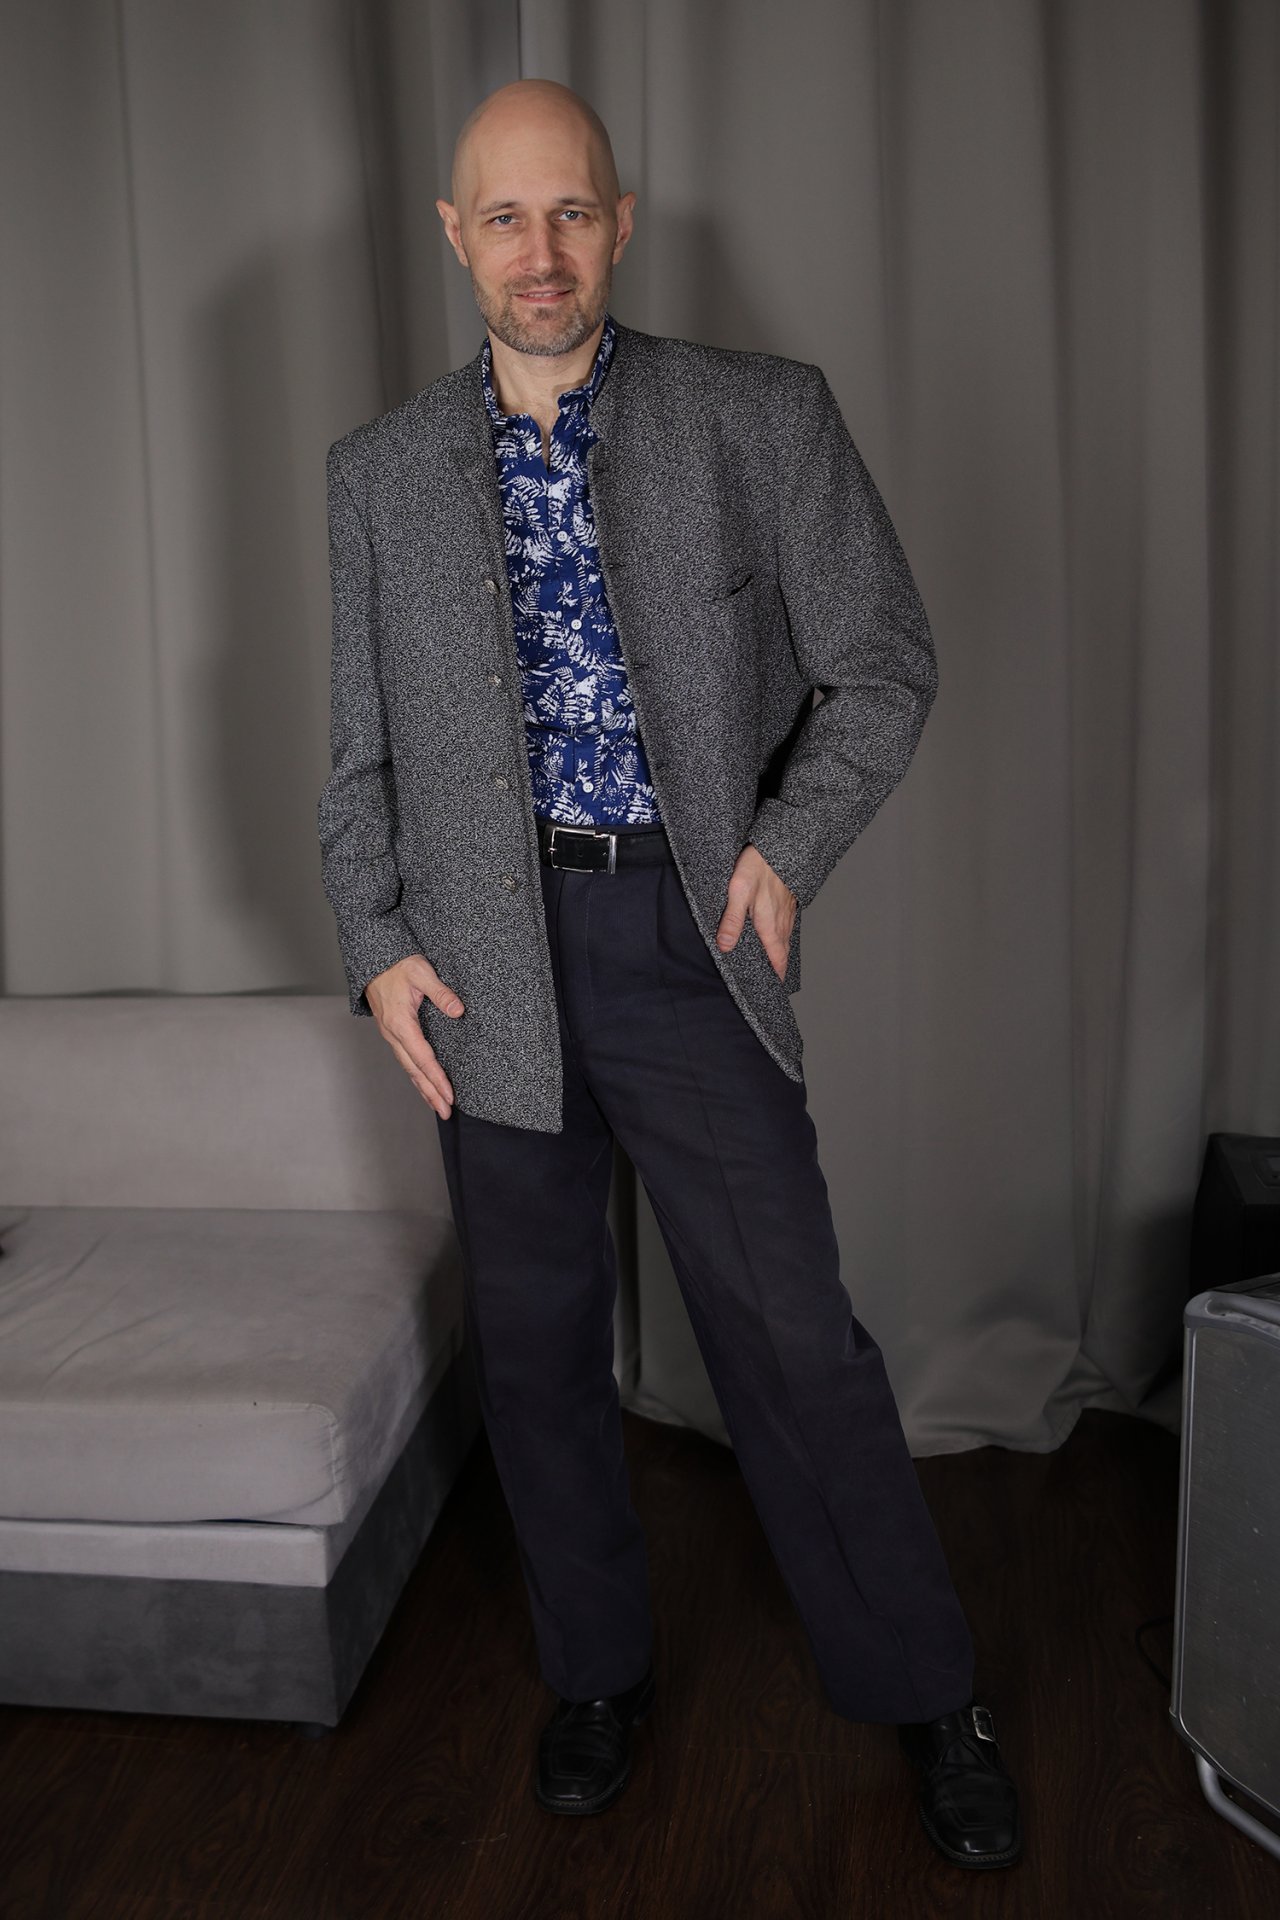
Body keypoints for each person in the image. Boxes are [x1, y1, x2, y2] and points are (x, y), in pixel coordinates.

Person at [318, 77, 1022, 1871]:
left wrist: (783, 854)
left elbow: (886, 662)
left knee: (792, 1338)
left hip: (687, 943)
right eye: (504, 217)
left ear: (620, 224)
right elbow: (356, 765)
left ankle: (931, 1691)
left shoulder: (760, 417)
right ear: (456, 238)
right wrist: (379, 949)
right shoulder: (377, 478)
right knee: (538, 1350)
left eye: (572, 212)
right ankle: (598, 1675)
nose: (540, 251)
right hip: (482, 968)